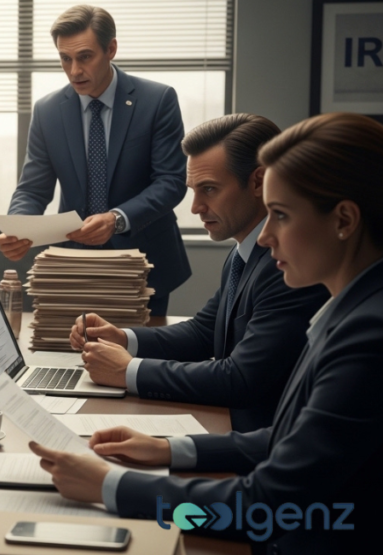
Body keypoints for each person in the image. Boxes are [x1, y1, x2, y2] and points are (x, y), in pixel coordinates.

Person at [30, 113, 383, 553]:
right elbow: (290, 437)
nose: (266, 236)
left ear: (344, 220)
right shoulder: (353, 312)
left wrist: (112, 487)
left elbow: (263, 508)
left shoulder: (367, 338)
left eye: (281, 215)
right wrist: (170, 449)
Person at [69, 114, 329, 432]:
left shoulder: (285, 264)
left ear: (258, 182)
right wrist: (123, 338)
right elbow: (204, 332)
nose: (195, 207)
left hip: (257, 441)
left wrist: (129, 371)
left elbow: (242, 378)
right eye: (193, 190)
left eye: (209, 189)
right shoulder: (243, 253)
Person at [0, 5, 190, 316]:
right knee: (68, 345)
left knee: (138, 347)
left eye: (85, 57)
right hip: (72, 263)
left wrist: (116, 218)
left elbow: (171, 182)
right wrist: (18, 227)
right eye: (65, 58)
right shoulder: (48, 111)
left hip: (142, 263)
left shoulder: (157, 100)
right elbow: (32, 189)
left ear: (111, 49)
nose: (74, 70)